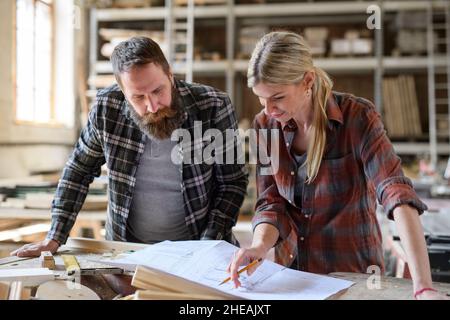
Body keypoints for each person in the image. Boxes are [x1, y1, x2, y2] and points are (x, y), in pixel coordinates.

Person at [227, 31, 447, 300]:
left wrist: (423, 287)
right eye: (262, 100)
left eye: (278, 98)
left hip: (353, 278)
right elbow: (271, 202)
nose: (269, 110)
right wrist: (260, 246)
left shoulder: (358, 118)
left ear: (307, 81)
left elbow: (396, 194)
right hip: (295, 278)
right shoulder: (265, 126)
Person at [12, 36, 248, 257]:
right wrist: (55, 236)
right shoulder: (107, 108)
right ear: (123, 93)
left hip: (199, 247)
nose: (153, 106)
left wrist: (208, 245)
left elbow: (232, 183)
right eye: (138, 97)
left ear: (170, 75)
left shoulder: (213, 105)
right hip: (126, 250)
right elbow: (78, 171)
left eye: (158, 91)